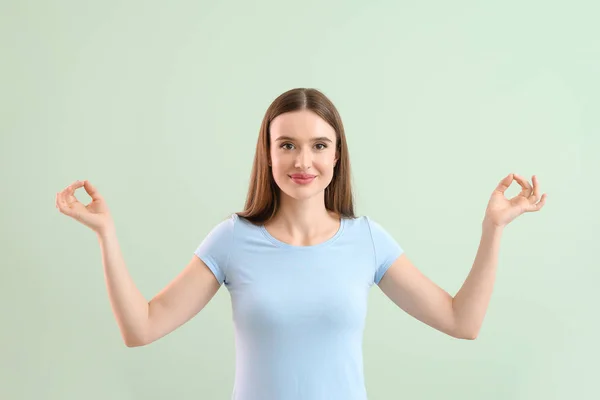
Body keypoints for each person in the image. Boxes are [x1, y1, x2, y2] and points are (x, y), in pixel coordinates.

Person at [55, 88, 547, 399]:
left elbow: (463, 322)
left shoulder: (367, 240)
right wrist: (106, 233)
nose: (302, 160)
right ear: (267, 154)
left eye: (319, 145)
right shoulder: (232, 239)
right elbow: (141, 328)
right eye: (286, 144)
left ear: (337, 155)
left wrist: (494, 229)